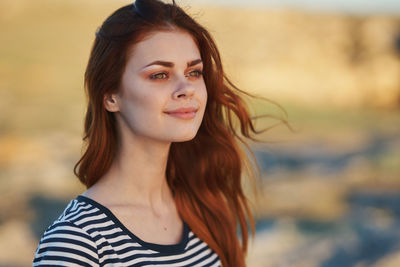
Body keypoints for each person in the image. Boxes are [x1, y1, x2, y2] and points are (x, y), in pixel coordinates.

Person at [33, 0, 264, 266]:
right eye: (159, 75)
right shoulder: (78, 241)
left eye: (193, 72)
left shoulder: (203, 211)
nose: (186, 88)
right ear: (110, 96)